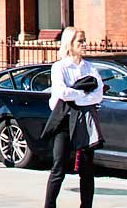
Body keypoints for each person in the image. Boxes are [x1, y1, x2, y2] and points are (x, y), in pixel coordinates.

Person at [42, 28, 103, 208]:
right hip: (64, 120)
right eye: (80, 42)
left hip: (84, 120)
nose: (84, 45)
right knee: (59, 166)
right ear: (69, 44)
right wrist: (83, 93)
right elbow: (61, 92)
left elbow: (98, 94)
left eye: (84, 41)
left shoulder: (90, 67)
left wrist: (76, 95)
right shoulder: (59, 67)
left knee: (87, 169)